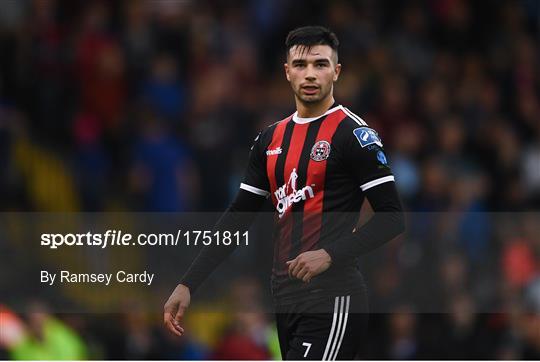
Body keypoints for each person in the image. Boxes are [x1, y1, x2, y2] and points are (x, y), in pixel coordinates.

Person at [164, 26, 405, 360]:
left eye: (320, 64)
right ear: (287, 71)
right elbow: (238, 217)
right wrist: (188, 283)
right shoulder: (270, 139)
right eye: (301, 64)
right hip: (285, 299)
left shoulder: (354, 134)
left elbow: (392, 218)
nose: (310, 74)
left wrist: (330, 254)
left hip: (333, 297)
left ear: (336, 72)